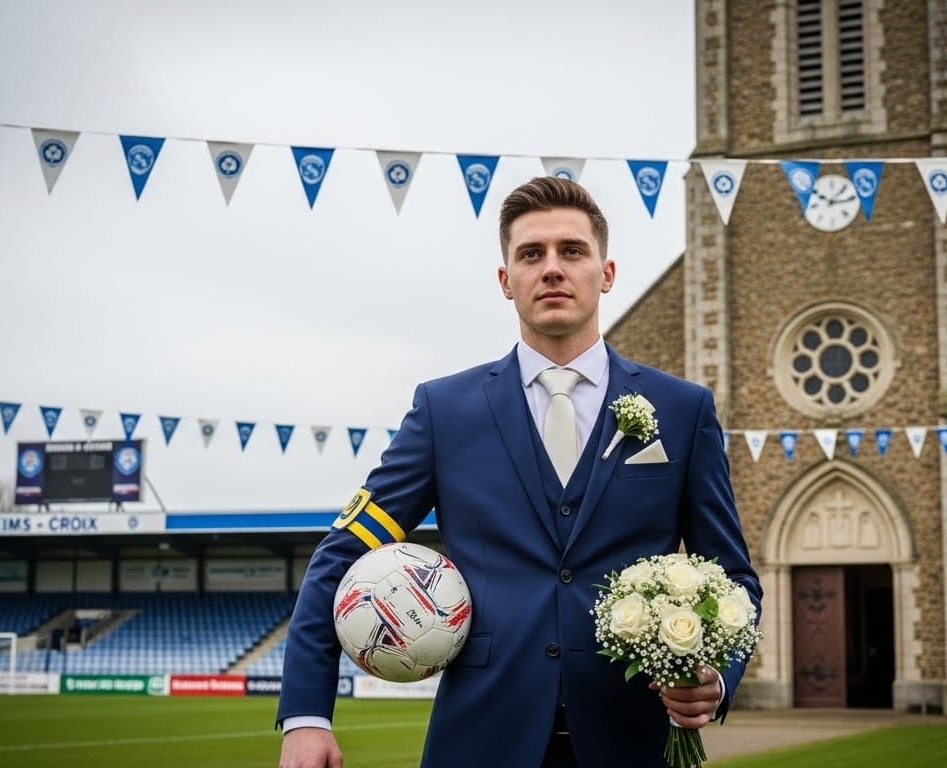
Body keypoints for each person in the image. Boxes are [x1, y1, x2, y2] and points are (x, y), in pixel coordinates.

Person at [277, 176, 761, 768]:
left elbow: (734, 575)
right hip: (478, 741)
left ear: (606, 273)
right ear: (506, 280)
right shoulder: (444, 412)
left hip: (633, 742)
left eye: (572, 251)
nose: (552, 268)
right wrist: (306, 716)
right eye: (531, 254)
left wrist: (717, 673)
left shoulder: (683, 411)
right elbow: (341, 555)